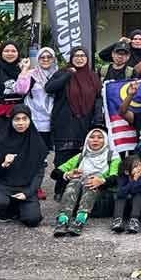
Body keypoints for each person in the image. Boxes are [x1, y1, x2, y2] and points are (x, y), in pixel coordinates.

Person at [45, 47, 103, 201]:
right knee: (62, 157)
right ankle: (60, 188)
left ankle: (78, 188)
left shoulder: (92, 76)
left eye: (83, 55)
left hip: (85, 121)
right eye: (76, 56)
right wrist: (68, 74)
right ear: (71, 58)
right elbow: (49, 88)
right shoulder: (63, 73)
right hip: (64, 122)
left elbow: (98, 97)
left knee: (82, 156)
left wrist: (97, 119)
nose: (79, 58)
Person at [0, 105, 48, 227]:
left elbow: (39, 174)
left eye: (24, 119)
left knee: (32, 220)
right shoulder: (0, 140)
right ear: (11, 120)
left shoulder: (37, 142)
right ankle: (8, 210)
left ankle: (18, 208)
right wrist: (3, 165)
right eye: (17, 119)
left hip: (25, 188)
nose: (21, 123)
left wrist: (28, 193)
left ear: (30, 120)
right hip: (2, 186)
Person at [51, 127, 118, 237]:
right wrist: (68, 174)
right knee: (75, 181)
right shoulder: (81, 156)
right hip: (76, 199)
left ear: (105, 140)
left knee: (90, 182)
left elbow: (116, 178)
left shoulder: (112, 156)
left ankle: (80, 220)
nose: (95, 140)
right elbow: (55, 173)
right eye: (92, 137)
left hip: (100, 200)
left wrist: (101, 180)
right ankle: (62, 221)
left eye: (100, 137)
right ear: (87, 140)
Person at [15, 47, 58, 153]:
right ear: (38, 59)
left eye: (49, 57)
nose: (46, 59)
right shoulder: (31, 74)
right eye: (42, 57)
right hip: (34, 119)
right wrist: (24, 70)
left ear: (54, 59)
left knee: (46, 152)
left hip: (53, 120)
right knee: (33, 151)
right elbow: (20, 90)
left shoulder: (59, 74)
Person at [112, 154, 141, 233]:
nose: (139, 168)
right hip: (124, 208)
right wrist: (133, 181)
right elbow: (121, 193)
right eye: (135, 166)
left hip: (138, 209)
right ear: (127, 171)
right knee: (120, 197)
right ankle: (117, 220)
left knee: (138, 195)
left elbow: (136, 190)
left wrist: (135, 179)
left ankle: (134, 221)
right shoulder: (122, 178)